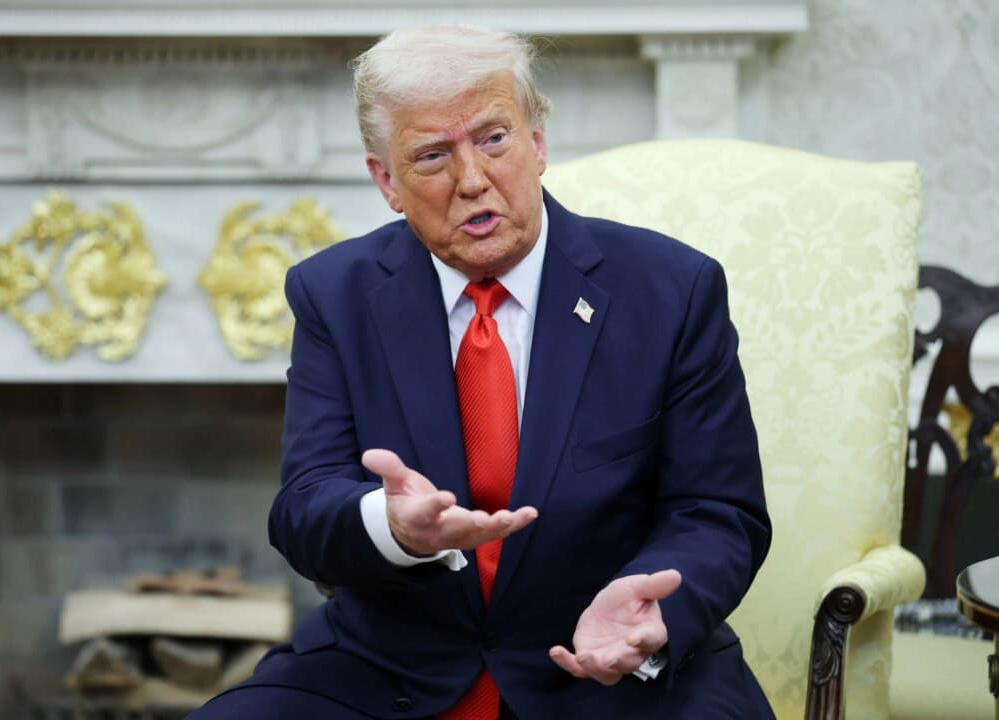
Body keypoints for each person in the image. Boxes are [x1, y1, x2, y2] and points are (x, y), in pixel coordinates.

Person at [190, 24, 773, 719]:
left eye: (494, 139)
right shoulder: (334, 294)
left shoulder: (670, 290)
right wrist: (392, 527)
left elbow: (717, 511)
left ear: (538, 143)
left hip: (605, 666)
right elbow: (304, 506)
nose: (472, 180)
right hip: (390, 665)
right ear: (388, 182)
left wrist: (650, 608)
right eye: (433, 155)